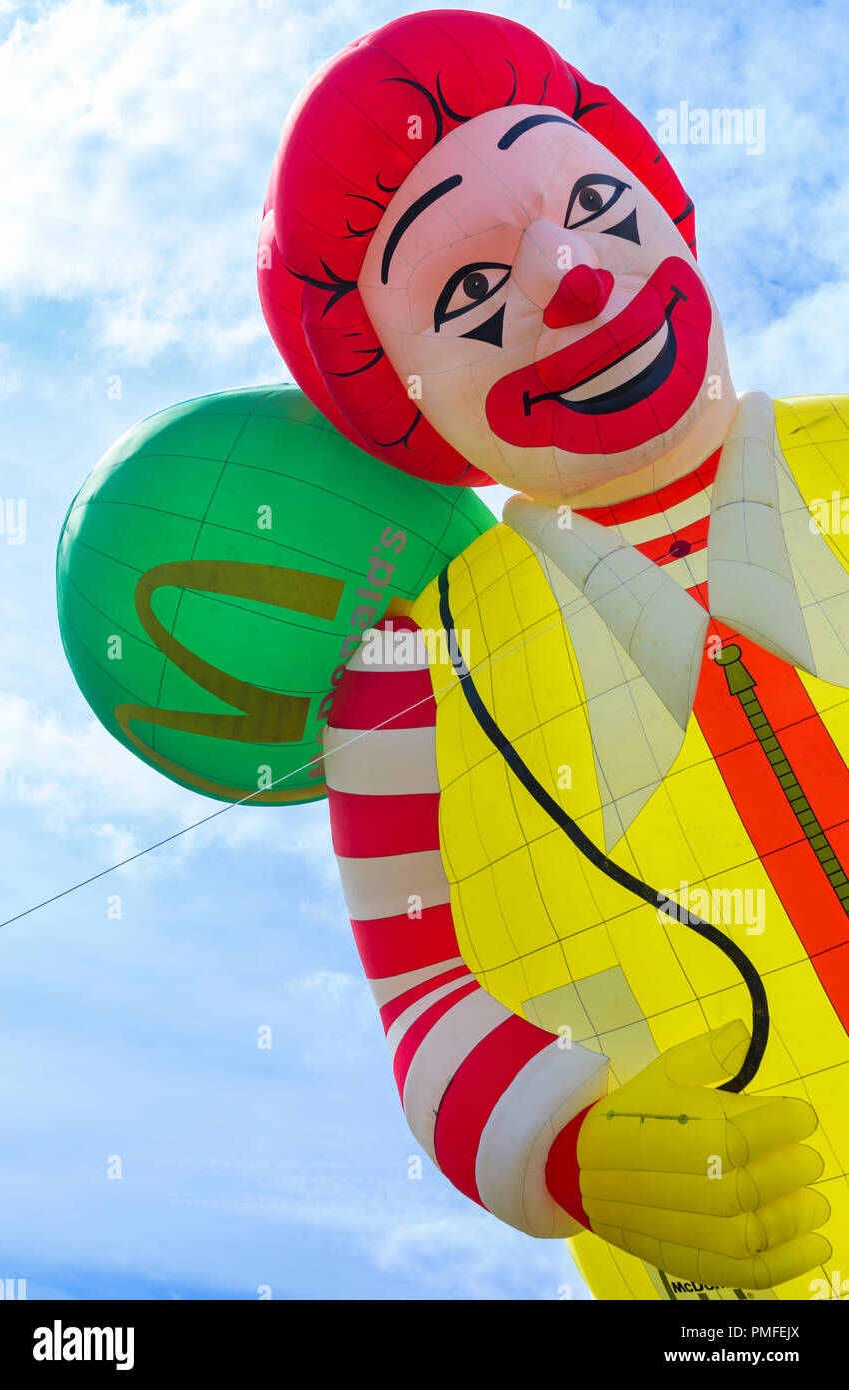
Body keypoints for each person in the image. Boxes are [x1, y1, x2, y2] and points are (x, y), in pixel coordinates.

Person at [258, 9, 847, 1300]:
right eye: (469, 291)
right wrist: (571, 1151)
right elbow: (422, 998)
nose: (573, 276)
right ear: (391, 391)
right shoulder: (411, 667)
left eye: (592, 199)